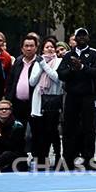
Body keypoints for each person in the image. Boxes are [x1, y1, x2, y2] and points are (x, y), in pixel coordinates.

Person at [57, 27, 96, 167]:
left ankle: (88, 159)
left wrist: (82, 67)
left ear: (88, 37)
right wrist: (71, 69)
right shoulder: (68, 55)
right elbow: (61, 74)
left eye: (84, 35)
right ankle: (69, 159)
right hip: (72, 96)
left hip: (87, 96)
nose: (81, 38)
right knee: (69, 128)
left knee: (88, 128)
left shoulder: (94, 53)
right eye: (79, 35)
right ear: (74, 38)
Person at [29, 37, 63, 169]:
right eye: (47, 47)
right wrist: (41, 65)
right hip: (39, 100)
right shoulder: (37, 62)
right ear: (42, 49)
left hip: (52, 101)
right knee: (39, 132)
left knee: (52, 131)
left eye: (52, 47)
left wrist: (44, 65)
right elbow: (32, 81)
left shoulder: (59, 61)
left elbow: (57, 78)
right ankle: (42, 159)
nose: (49, 49)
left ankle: (57, 155)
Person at [5, 34, 40, 125]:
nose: (29, 49)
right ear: (22, 48)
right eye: (26, 46)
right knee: (17, 131)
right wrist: (8, 99)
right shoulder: (18, 62)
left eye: (31, 46)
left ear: (36, 48)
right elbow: (10, 82)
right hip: (17, 104)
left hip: (33, 104)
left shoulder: (40, 63)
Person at [0, 99, 27, 172]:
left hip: (14, 158)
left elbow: (15, 148)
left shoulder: (18, 125)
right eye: (1, 109)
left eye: (6, 109)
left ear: (10, 111)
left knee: (7, 154)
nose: (4, 111)